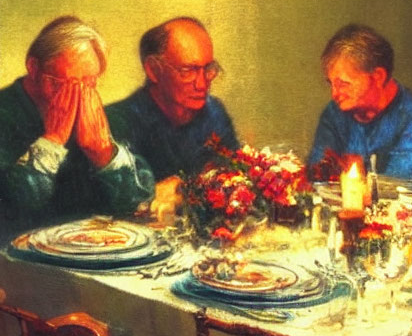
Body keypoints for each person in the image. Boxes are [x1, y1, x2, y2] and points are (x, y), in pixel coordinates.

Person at [0, 16, 154, 235]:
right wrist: (52, 141)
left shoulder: (91, 111)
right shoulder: (4, 113)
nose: (77, 97)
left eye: (88, 84)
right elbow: (13, 208)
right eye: (66, 85)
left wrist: (103, 154)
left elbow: (139, 201)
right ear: (34, 68)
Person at [106, 17, 239, 220]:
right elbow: (122, 206)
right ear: (153, 70)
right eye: (188, 71)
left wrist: (181, 189)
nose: (202, 84)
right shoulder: (117, 122)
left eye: (208, 69)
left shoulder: (215, 113)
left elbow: (235, 178)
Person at [307, 24, 412, 190]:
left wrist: (355, 174)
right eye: (332, 84)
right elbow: (318, 178)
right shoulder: (334, 114)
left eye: (343, 84)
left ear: (378, 76)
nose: (334, 94)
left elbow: (407, 189)